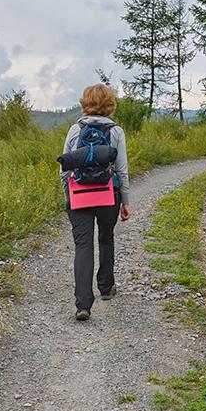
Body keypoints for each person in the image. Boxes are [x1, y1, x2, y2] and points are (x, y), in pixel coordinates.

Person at [60, 84, 130, 321]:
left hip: (79, 194)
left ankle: (83, 304)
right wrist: (125, 201)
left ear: (84, 102)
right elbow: (122, 170)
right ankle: (106, 287)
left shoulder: (74, 129)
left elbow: (64, 169)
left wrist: (68, 195)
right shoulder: (116, 131)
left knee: (83, 245)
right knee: (106, 237)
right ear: (110, 104)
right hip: (108, 194)